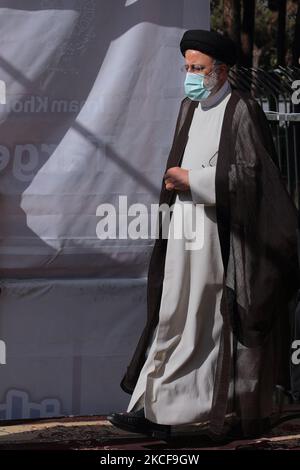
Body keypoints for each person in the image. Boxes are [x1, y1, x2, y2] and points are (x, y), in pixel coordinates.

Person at [108, 29, 299, 440]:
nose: (190, 75)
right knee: (170, 316)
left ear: (222, 71)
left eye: (198, 68)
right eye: (187, 67)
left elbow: (253, 180)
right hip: (183, 230)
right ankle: (150, 405)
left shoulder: (241, 109)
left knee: (199, 322)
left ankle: (175, 413)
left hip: (217, 238)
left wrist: (192, 179)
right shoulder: (189, 108)